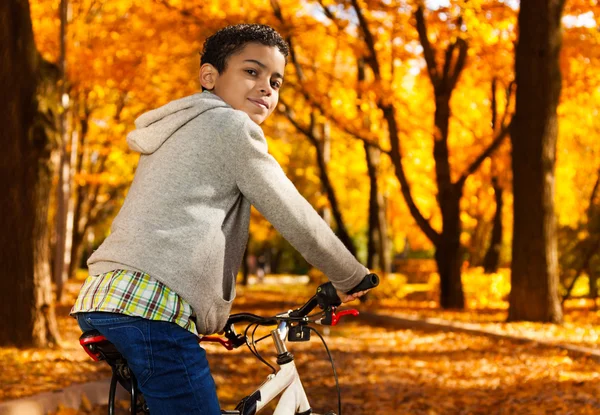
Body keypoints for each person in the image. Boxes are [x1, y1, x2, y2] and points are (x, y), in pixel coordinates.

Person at [71, 23, 369, 414]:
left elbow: (175, 223)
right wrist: (351, 275)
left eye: (276, 81)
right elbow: (293, 212)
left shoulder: (178, 130)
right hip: (149, 308)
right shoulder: (230, 126)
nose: (266, 87)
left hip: (105, 298)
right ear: (209, 77)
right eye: (252, 71)